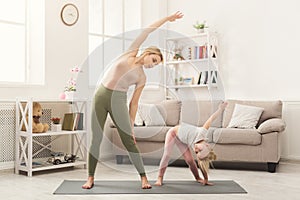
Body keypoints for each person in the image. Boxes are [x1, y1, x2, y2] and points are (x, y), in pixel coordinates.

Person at [82, 11, 184, 190]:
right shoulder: (130, 52)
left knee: (129, 141)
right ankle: (90, 177)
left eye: (156, 64)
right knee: (95, 139)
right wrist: (167, 19)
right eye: (153, 60)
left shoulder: (141, 77)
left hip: (118, 100)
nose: (152, 64)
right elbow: (147, 31)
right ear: (148, 53)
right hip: (100, 95)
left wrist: (130, 126)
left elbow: (134, 103)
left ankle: (143, 178)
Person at [154, 102, 228, 186]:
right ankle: (160, 177)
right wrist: (220, 109)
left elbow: (202, 165)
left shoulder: (199, 147)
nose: (196, 150)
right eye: (199, 150)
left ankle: (197, 177)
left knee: (190, 160)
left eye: (197, 153)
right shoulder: (202, 133)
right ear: (206, 145)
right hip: (173, 133)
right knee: (167, 154)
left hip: (182, 140)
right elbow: (211, 119)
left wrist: (206, 179)